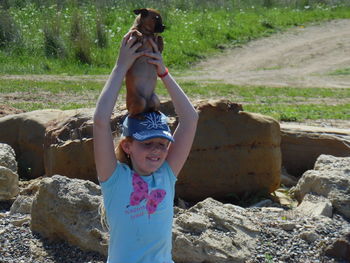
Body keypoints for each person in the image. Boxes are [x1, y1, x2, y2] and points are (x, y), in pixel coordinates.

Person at [93, 31, 198, 263]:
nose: (157, 150)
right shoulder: (114, 179)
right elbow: (100, 122)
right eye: (147, 143)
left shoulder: (166, 175)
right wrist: (121, 67)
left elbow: (190, 118)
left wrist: (163, 73)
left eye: (162, 143)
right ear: (127, 146)